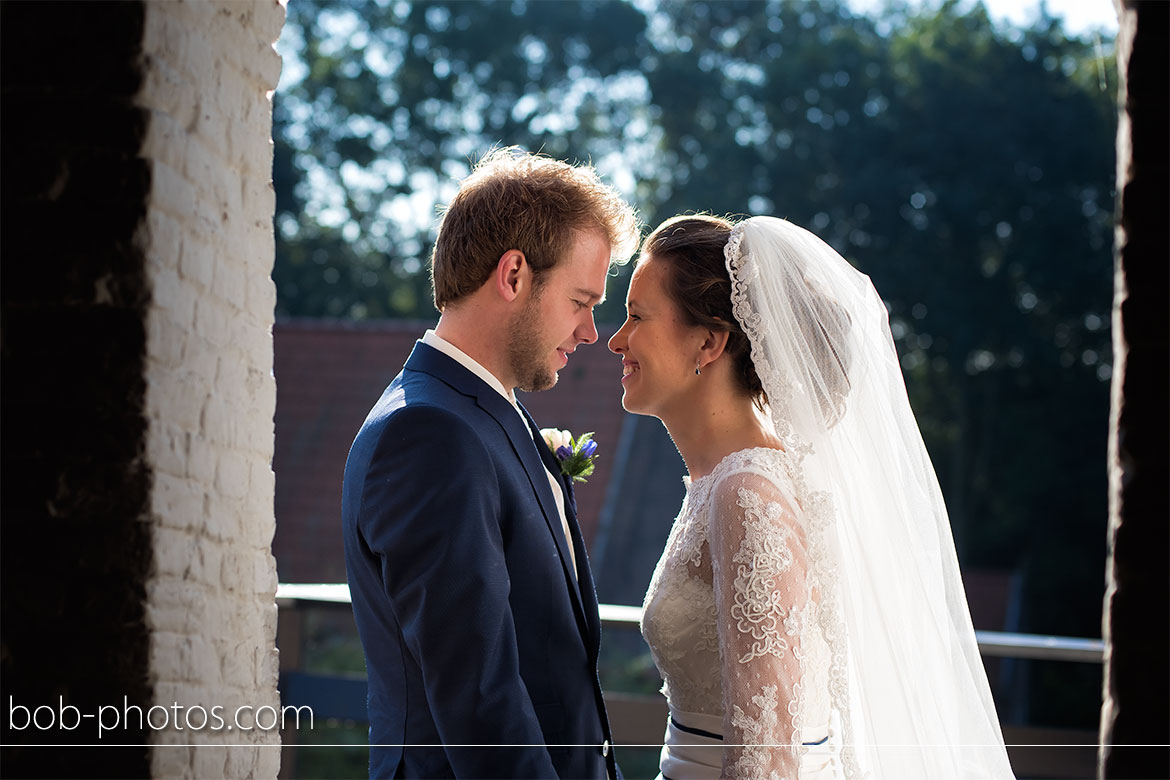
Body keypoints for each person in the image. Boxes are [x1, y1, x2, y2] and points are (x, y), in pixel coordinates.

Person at [608, 214, 1016, 779]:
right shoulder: (721, 483)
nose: (616, 339)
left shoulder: (747, 494)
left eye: (636, 317)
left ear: (708, 341)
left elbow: (768, 760)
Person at [342, 148, 638, 779]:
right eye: (582, 300)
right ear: (513, 276)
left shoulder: (485, 414)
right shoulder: (429, 434)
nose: (591, 332)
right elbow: (479, 699)